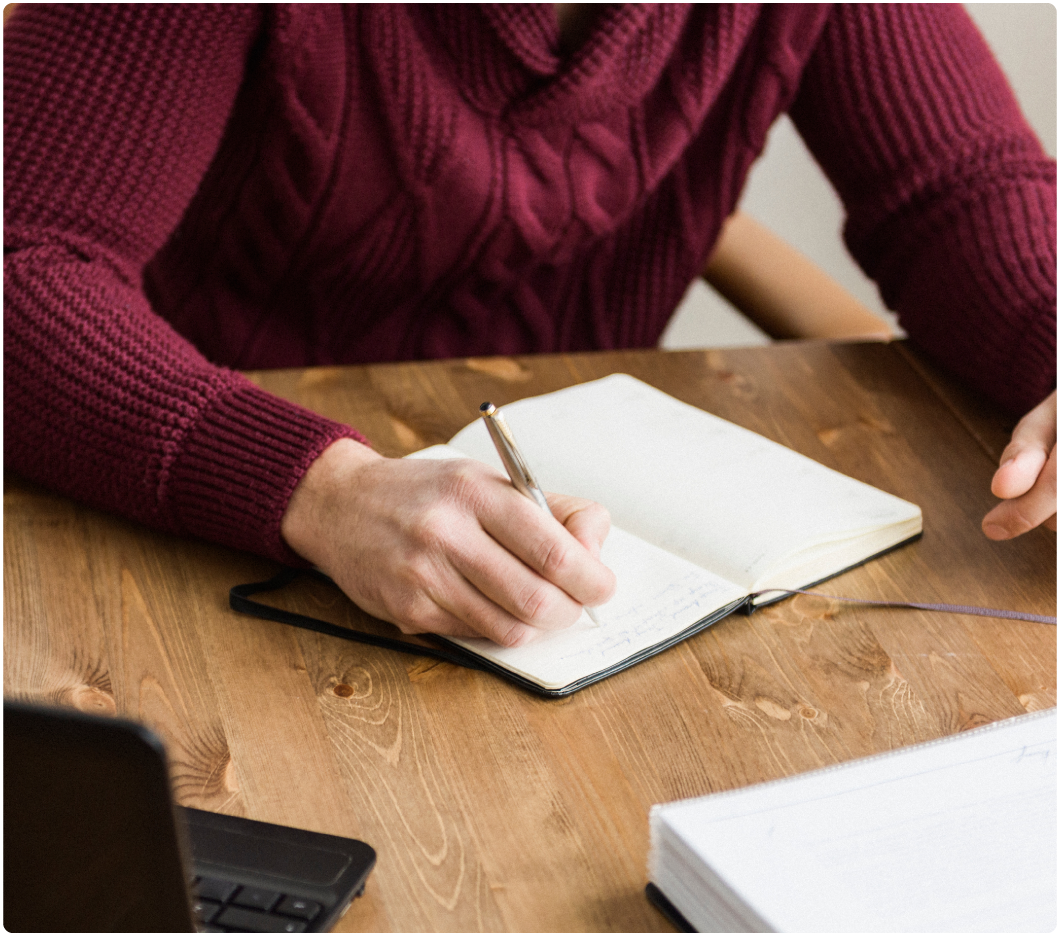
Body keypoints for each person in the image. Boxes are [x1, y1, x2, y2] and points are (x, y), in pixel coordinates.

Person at [4, 3, 1058, 648]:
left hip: (569, 551)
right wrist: (320, 491)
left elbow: (967, 194)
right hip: (177, 535)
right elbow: (22, 263)